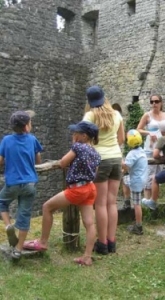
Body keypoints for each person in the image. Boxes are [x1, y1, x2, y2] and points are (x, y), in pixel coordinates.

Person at [23, 121, 101, 265]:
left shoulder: (77, 146)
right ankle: (87, 256)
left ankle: (43, 242)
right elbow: (94, 173)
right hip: (90, 188)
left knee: (47, 207)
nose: (73, 135)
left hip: (77, 189)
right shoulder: (95, 153)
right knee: (90, 223)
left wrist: (65, 157)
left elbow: (63, 162)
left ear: (83, 136)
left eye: (75, 133)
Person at [83, 85, 125, 255]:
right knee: (112, 202)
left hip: (100, 160)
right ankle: (111, 241)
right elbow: (121, 138)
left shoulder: (89, 116)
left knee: (100, 204)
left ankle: (101, 244)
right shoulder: (116, 114)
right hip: (116, 158)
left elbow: (82, 140)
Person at [0, 111, 43, 259]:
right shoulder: (32, 140)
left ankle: (8, 225)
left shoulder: (6, 140)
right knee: (24, 215)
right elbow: (38, 161)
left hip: (12, 183)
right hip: (30, 183)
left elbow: (0, 160)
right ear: (26, 126)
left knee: (2, 202)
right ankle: (18, 250)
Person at [137, 94, 165, 202]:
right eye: (152, 102)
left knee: (158, 176)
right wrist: (149, 133)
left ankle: (155, 201)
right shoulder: (147, 115)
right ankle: (147, 200)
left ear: (161, 103)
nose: (154, 104)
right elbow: (138, 129)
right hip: (150, 149)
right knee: (149, 175)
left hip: (161, 149)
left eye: (156, 101)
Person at [122, 129, 148, 235]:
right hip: (142, 179)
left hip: (136, 181)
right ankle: (127, 201)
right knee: (124, 180)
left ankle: (138, 226)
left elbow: (126, 167)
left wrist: (120, 160)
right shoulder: (142, 151)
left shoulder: (131, 154)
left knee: (137, 204)